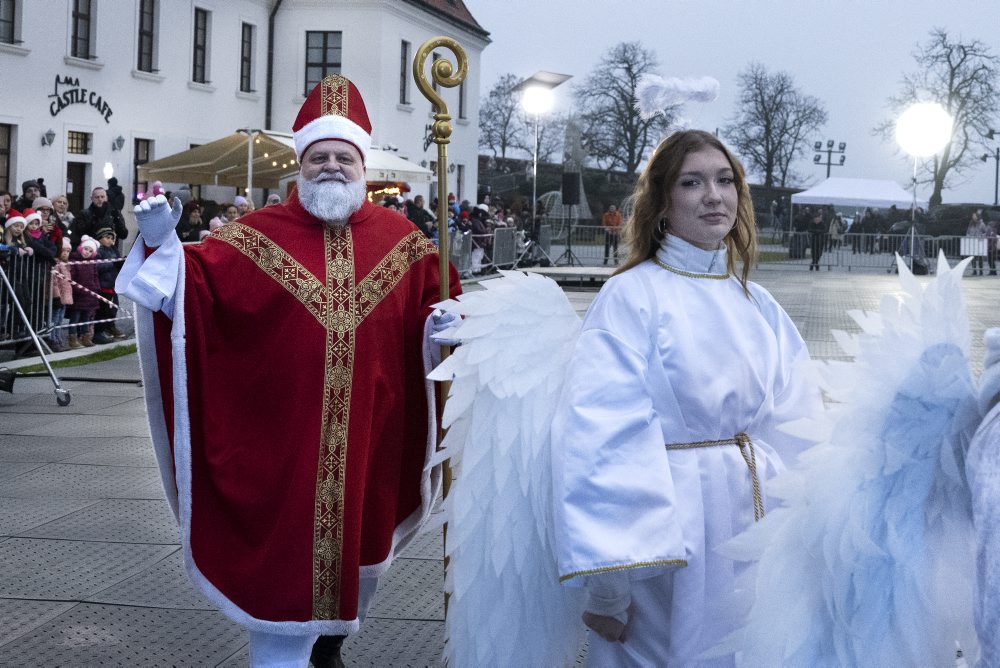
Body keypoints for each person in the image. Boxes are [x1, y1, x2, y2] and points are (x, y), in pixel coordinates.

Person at [115, 73, 460, 668]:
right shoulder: (254, 237)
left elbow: (435, 309)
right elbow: (191, 292)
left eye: (343, 157)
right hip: (282, 450)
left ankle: (330, 651)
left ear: (362, 165)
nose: (331, 167)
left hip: (369, 442)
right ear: (300, 163)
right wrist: (159, 248)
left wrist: (448, 324)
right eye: (320, 156)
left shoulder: (404, 241)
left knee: (352, 580)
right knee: (282, 600)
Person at [551, 130, 823, 665]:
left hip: (755, 514)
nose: (714, 196)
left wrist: (812, 529)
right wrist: (610, 585)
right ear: (662, 202)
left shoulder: (757, 301)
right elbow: (600, 433)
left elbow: (798, 419)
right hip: (666, 526)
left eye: (725, 181)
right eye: (692, 182)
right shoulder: (632, 295)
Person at [92, 228, 125, 343]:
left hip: (112, 284)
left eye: (112, 238)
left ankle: (109, 327)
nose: (110, 240)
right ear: (100, 239)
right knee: (102, 310)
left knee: (114, 308)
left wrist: (122, 262)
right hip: (102, 285)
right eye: (107, 238)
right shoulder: (98, 250)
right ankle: (98, 333)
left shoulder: (113, 249)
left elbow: (117, 262)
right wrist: (112, 263)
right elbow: (96, 266)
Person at [68, 236, 101, 348]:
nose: (87, 252)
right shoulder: (74, 261)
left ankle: (85, 337)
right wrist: (77, 289)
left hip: (90, 294)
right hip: (78, 295)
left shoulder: (91, 263)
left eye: (90, 251)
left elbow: (95, 276)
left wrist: (96, 288)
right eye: (86, 249)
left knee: (86, 317)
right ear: (81, 248)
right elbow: (71, 277)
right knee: (76, 317)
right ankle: (73, 338)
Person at [968, 210, 988, 276]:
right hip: (972, 243)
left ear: (977, 216)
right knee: (972, 258)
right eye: (972, 216)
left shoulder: (981, 224)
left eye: (974, 216)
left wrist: (981, 236)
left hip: (979, 243)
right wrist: (967, 237)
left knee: (980, 258)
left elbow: (986, 232)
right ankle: (974, 270)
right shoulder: (970, 223)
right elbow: (968, 232)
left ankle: (981, 271)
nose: (973, 217)